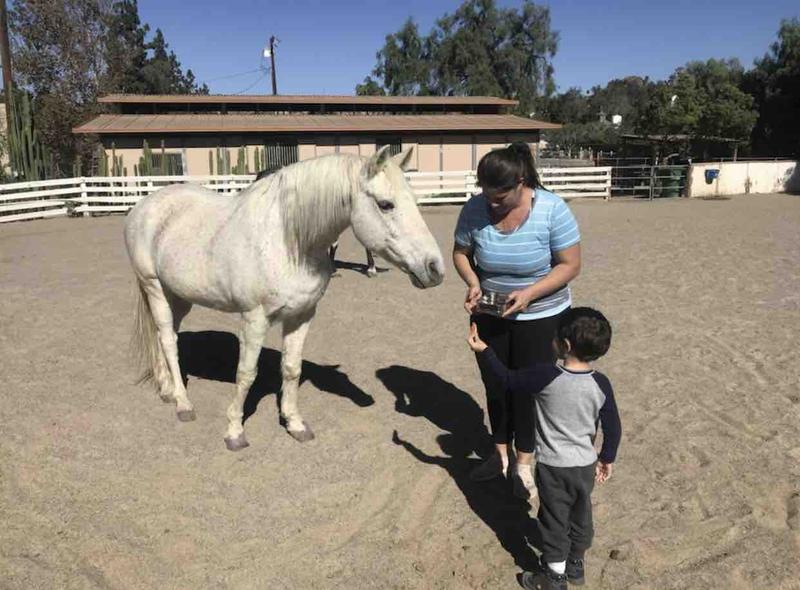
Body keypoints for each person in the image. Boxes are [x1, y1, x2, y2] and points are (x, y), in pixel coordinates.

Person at [453, 142, 581, 499]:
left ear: (521, 182)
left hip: (541, 316)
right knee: (495, 384)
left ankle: (524, 463)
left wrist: (530, 294)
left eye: (500, 198)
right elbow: (461, 252)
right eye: (486, 195)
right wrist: (473, 282)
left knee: (528, 388)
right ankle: (500, 456)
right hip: (490, 312)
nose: (492, 204)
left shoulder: (552, 209)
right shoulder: (474, 209)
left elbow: (570, 265)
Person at [466, 307, 621, 590]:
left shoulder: (545, 375)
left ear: (565, 345)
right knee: (580, 512)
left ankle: (553, 578)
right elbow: (613, 427)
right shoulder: (601, 383)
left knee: (553, 520)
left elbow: (507, 379)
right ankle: (576, 564)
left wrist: (485, 350)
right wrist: (606, 457)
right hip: (585, 464)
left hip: (554, 467)